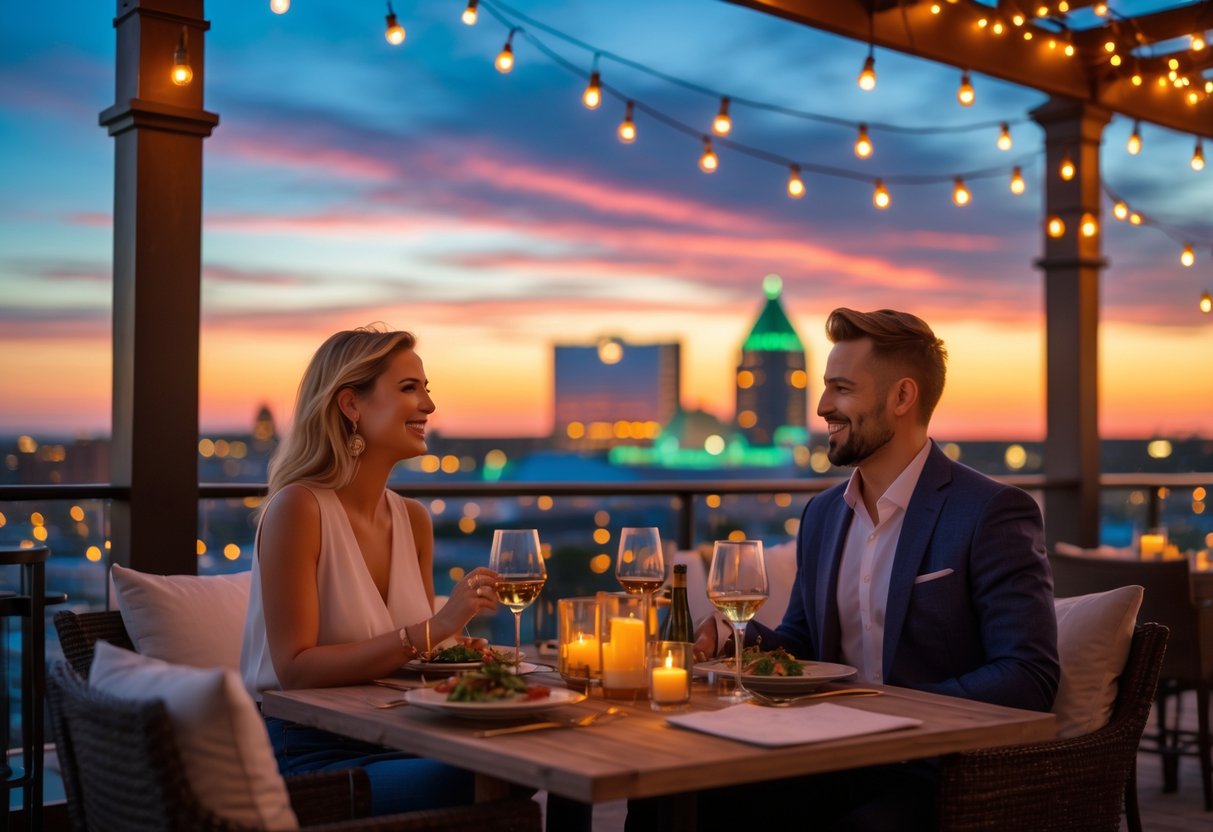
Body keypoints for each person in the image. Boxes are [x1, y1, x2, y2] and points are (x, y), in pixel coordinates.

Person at [690, 307, 1059, 831]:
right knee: (682, 800)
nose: (821, 407)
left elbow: (1029, 677)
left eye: (841, 389)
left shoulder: (990, 512)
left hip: (941, 772)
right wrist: (738, 641)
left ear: (902, 397)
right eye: (824, 388)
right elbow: (805, 641)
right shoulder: (822, 513)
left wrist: (882, 712)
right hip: (828, 756)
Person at [241, 325, 500, 816]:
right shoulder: (299, 509)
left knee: (516, 760)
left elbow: (406, 652)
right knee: (495, 775)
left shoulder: (413, 520)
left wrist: (451, 649)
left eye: (427, 389)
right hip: (312, 753)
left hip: (400, 732)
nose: (428, 406)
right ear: (351, 405)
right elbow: (294, 669)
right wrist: (433, 629)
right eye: (409, 389)